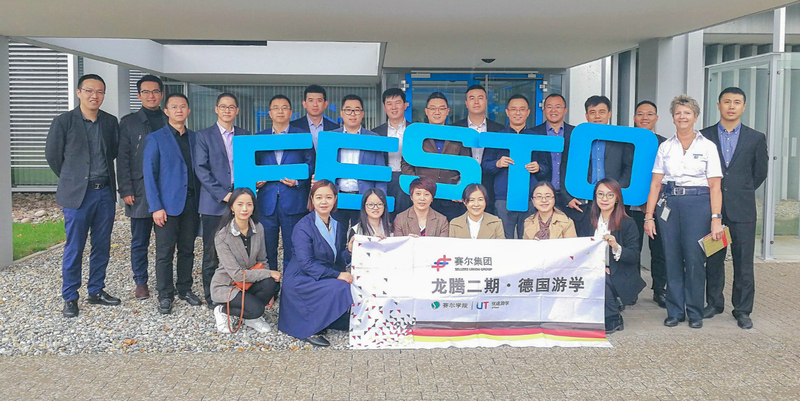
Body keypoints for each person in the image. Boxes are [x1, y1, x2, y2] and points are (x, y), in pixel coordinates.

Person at [644, 94, 724, 330]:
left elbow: (715, 186)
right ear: (672, 118)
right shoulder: (665, 147)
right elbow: (655, 184)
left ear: (695, 117)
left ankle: (695, 311)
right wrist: (649, 216)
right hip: (670, 204)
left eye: (687, 113)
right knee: (672, 258)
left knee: (695, 259)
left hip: (698, 205)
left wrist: (716, 218)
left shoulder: (708, 146)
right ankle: (675, 311)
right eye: (678, 113)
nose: (682, 117)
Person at [45, 74, 120, 318]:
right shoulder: (63, 121)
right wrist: (73, 178)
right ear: (79, 92)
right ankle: (70, 297)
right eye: (89, 90)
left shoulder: (110, 122)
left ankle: (96, 290)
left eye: (99, 91)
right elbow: (54, 156)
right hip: (78, 195)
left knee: (102, 245)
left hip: (104, 192)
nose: (94, 96)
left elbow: (113, 152)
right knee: (74, 247)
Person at [700, 87, 768, 329]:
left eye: (736, 102)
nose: (731, 106)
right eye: (727, 102)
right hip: (713, 210)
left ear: (743, 107)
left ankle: (742, 309)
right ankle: (714, 303)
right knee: (714, 258)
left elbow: (760, 172)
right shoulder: (704, 136)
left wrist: (741, 190)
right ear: (718, 105)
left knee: (743, 261)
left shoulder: (755, 137)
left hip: (743, 210)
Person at [142, 93, 202, 314]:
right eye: (174, 107)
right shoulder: (156, 138)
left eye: (183, 106)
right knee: (165, 252)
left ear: (188, 111)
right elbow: (150, 175)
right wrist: (156, 207)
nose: (179, 110)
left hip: (192, 203)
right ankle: (165, 295)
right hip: (166, 206)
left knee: (187, 249)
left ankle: (184, 288)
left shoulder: (195, 138)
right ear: (166, 111)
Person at [278, 180, 353, 347]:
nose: (324, 202)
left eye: (328, 197)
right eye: (319, 197)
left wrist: (349, 251)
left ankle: (327, 319)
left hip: (321, 274)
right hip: (301, 278)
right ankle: (310, 327)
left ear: (335, 199)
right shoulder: (303, 226)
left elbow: (337, 259)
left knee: (350, 284)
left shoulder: (338, 225)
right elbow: (306, 263)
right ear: (311, 199)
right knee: (341, 286)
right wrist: (338, 275)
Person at [194, 93, 251, 308]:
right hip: (214, 202)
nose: (227, 110)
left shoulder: (244, 135)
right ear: (216, 109)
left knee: (240, 250)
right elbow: (201, 169)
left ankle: (238, 291)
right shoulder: (203, 136)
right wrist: (224, 195)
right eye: (223, 107)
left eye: (231, 107)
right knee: (211, 252)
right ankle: (212, 296)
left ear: (237, 111)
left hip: (241, 203)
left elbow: (252, 164)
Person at [117, 74, 167, 300]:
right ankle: (141, 281)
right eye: (146, 92)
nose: (151, 96)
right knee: (139, 240)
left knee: (166, 241)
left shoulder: (169, 118)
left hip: (166, 188)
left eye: (155, 91)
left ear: (161, 94)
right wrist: (125, 189)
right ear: (139, 96)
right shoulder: (129, 122)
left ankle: (165, 281)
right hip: (139, 190)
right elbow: (123, 157)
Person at [255, 95, 313, 273]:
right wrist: (255, 181)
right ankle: (269, 285)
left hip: (294, 201)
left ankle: (290, 284)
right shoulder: (259, 138)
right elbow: (251, 165)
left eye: (284, 107)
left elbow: (311, 164)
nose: (280, 111)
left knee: (293, 248)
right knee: (266, 250)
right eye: (276, 108)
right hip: (266, 202)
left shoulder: (302, 137)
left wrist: (298, 180)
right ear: (270, 113)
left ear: (291, 112)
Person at [560, 95, 633, 237]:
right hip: (583, 204)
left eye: (602, 112)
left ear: (609, 114)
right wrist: (567, 197)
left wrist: (616, 192)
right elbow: (564, 168)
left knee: (611, 245)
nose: (597, 116)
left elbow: (628, 168)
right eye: (592, 112)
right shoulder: (576, 139)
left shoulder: (621, 139)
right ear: (586, 116)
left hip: (612, 204)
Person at [211, 187, 280, 334]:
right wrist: (268, 273)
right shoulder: (222, 236)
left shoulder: (259, 228)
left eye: (249, 204)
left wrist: (268, 279)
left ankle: (250, 316)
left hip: (249, 282)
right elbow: (236, 275)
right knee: (257, 309)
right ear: (232, 207)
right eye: (240, 204)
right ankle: (222, 310)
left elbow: (262, 260)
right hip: (228, 284)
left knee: (271, 283)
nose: (244, 209)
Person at [482, 94, 551, 238]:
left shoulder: (536, 138)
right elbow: (484, 165)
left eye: (522, 109)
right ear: (507, 112)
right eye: (513, 109)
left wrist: (539, 168)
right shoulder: (497, 137)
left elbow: (547, 168)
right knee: (502, 240)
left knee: (528, 240)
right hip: (503, 198)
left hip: (530, 198)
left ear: (528, 112)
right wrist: (497, 163)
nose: (517, 113)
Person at [586, 178, 645, 334]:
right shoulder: (588, 220)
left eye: (610, 195)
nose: (604, 199)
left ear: (617, 198)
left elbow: (634, 256)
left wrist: (616, 246)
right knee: (597, 275)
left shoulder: (628, 223)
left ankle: (613, 317)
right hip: (592, 268)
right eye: (600, 194)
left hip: (619, 271)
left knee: (602, 277)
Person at [401, 92, 470, 221]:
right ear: (426, 111)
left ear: (448, 111)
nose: (437, 112)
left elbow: (467, 164)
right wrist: (417, 187)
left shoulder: (457, 135)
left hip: (450, 198)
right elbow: (406, 164)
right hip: (423, 197)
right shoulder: (416, 135)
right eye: (432, 108)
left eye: (441, 108)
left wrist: (460, 189)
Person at [628, 100, 668, 308]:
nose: (645, 118)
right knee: (632, 249)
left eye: (649, 114)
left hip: (659, 206)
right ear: (634, 118)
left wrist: (651, 202)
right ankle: (632, 290)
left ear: (657, 118)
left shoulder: (666, 144)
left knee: (660, 250)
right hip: (631, 206)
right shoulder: (626, 143)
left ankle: (660, 290)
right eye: (640, 114)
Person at [330, 94, 387, 229]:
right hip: (337, 197)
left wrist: (380, 199)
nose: (352, 114)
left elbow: (380, 172)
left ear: (362, 114)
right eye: (348, 110)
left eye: (356, 110)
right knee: (336, 238)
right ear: (341, 113)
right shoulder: (331, 137)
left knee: (362, 237)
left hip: (364, 198)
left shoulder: (373, 138)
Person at [452, 84, 505, 214]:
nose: (476, 102)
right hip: (462, 186)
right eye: (472, 98)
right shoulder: (455, 129)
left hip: (490, 188)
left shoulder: (499, 130)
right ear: (466, 103)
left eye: (480, 98)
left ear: (486, 102)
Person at [531, 94, 577, 233]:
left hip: (570, 197)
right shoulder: (533, 133)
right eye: (549, 107)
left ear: (565, 110)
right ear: (544, 110)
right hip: (543, 197)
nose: (553, 110)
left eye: (558, 107)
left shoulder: (575, 133)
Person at [372, 88, 413, 218]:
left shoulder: (414, 131)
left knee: (405, 217)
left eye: (397, 102)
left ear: (405, 105)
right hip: (384, 180)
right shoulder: (376, 133)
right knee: (384, 217)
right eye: (389, 103)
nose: (393, 107)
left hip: (407, 179)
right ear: (385, 107)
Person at [290, 84, 340, 149]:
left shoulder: (335, 128)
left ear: (325, 104)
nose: (315, 104)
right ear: (304, 104)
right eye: (311, 100)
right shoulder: (293, 126)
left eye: (319, 100)